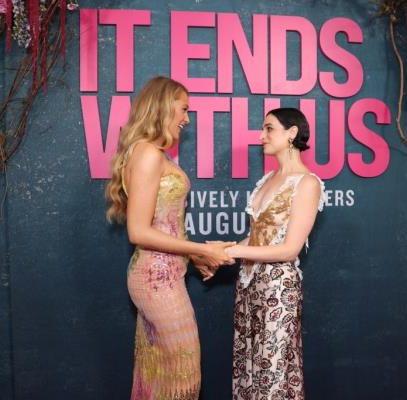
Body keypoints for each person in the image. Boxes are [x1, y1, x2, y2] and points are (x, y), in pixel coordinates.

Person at [105, 76, 234, 400]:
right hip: (156, 280)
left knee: (160, 376)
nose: (186, 118)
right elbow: (139, 232)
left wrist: (195, 257)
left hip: (163, 276)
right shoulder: (148, 153)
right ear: (163, 106)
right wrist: (202, 249)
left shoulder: (151, 152)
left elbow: (165, 225)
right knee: (182, 378)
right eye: (183, 109)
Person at [226, 108, 324, 400]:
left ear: (292, 133)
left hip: (278, 288)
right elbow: (259, 236)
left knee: (274, 374)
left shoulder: (307, 183)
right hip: (248, 285)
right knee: (248, 372)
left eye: (269, 128)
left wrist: (233, 250)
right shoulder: (268, 178)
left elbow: (290, 248)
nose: (261, 136)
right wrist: (221, 251)